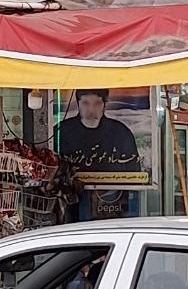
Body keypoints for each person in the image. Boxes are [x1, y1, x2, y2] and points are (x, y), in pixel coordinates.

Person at [55, 91, 141, 219]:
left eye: (97, 103)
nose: (91, 109)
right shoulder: (62, 131)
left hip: (114, 204)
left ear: (104, 105)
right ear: (78, 104)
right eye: (85, 103)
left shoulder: (121, 132)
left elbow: (134, 170)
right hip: (71, 207)